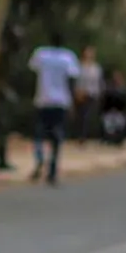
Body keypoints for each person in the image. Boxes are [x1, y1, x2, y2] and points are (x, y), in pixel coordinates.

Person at [27, 34, 82, 186]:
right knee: (57, 134)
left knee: (39, 132)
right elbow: (72, 80)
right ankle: (52, 168)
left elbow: (32, 73)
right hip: (61, 100)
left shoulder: (41, 54)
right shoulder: (68, 57)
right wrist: (72, 102)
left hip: (43, 99)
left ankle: (39, 159)